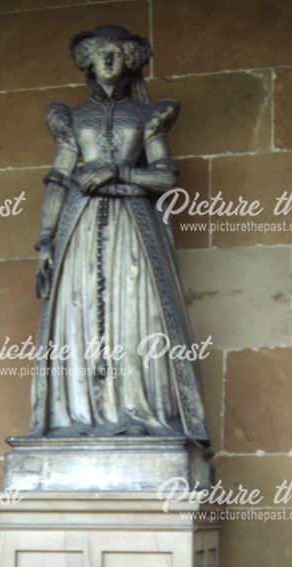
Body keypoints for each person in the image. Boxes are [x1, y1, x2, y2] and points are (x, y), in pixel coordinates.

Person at [28, 24, 210, 447]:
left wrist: (118, 172)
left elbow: (166, 178)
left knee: (136, 311)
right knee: (81, 310)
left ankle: (138, 409)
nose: (108, 60)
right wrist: (44, 242)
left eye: (116, 53)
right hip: (80, 225)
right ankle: (80, 413)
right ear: (87, 61)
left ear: (128, 61)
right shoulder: (71, 118)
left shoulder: (148, 116)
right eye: (99, 53)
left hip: (133, 227)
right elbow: (58, 179)